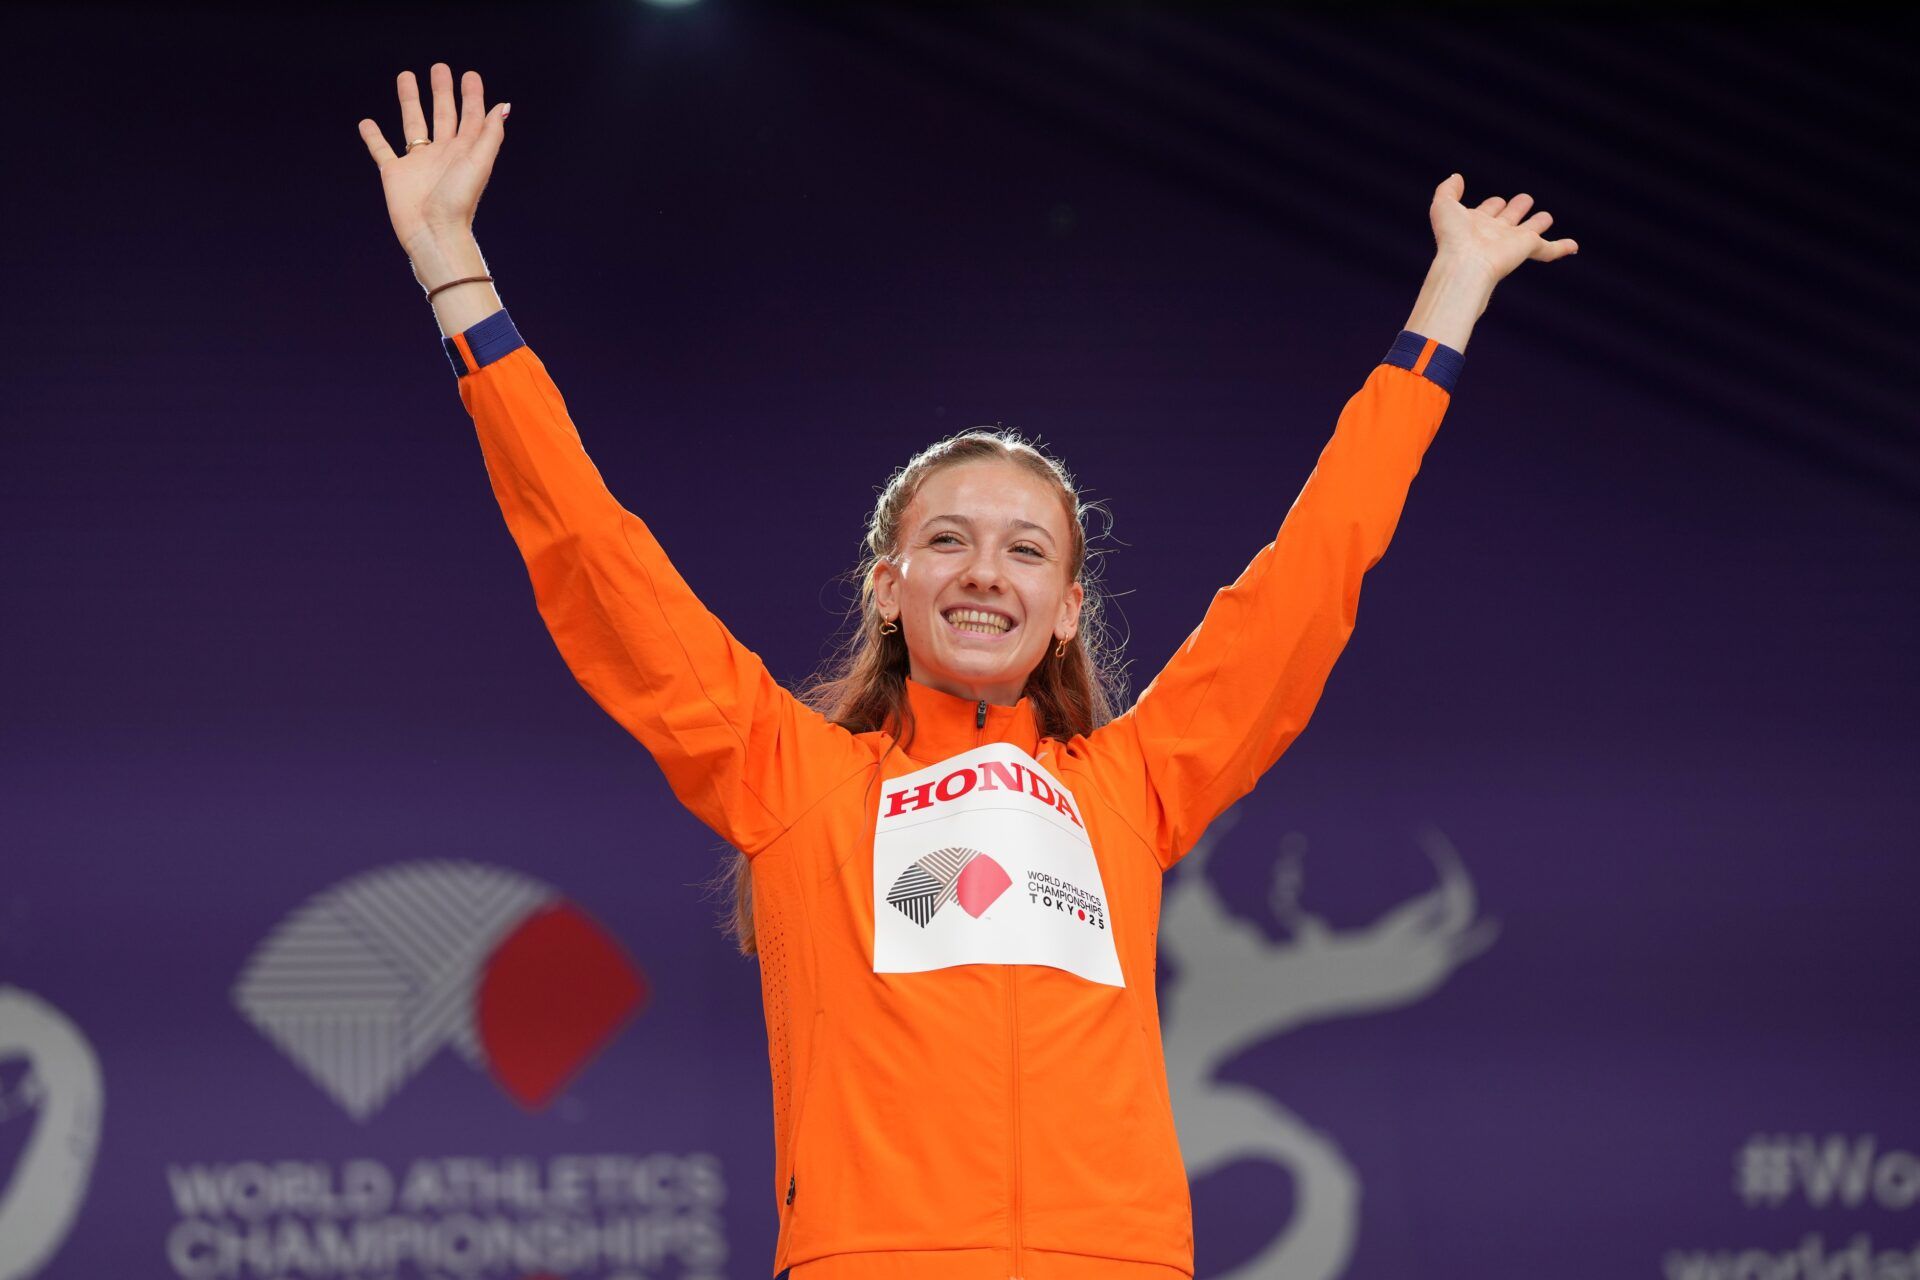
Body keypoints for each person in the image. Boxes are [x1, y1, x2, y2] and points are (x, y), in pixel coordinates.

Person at [358, 61, 1576, 1280]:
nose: (985, 569)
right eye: (947, 539)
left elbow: (1315, 567)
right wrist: (452, 269)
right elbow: (594, 553)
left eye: (1024, 548)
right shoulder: (788, 774)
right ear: (889, 584)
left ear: (1065, 610)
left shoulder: (1136, 788)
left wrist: (1451, 294)